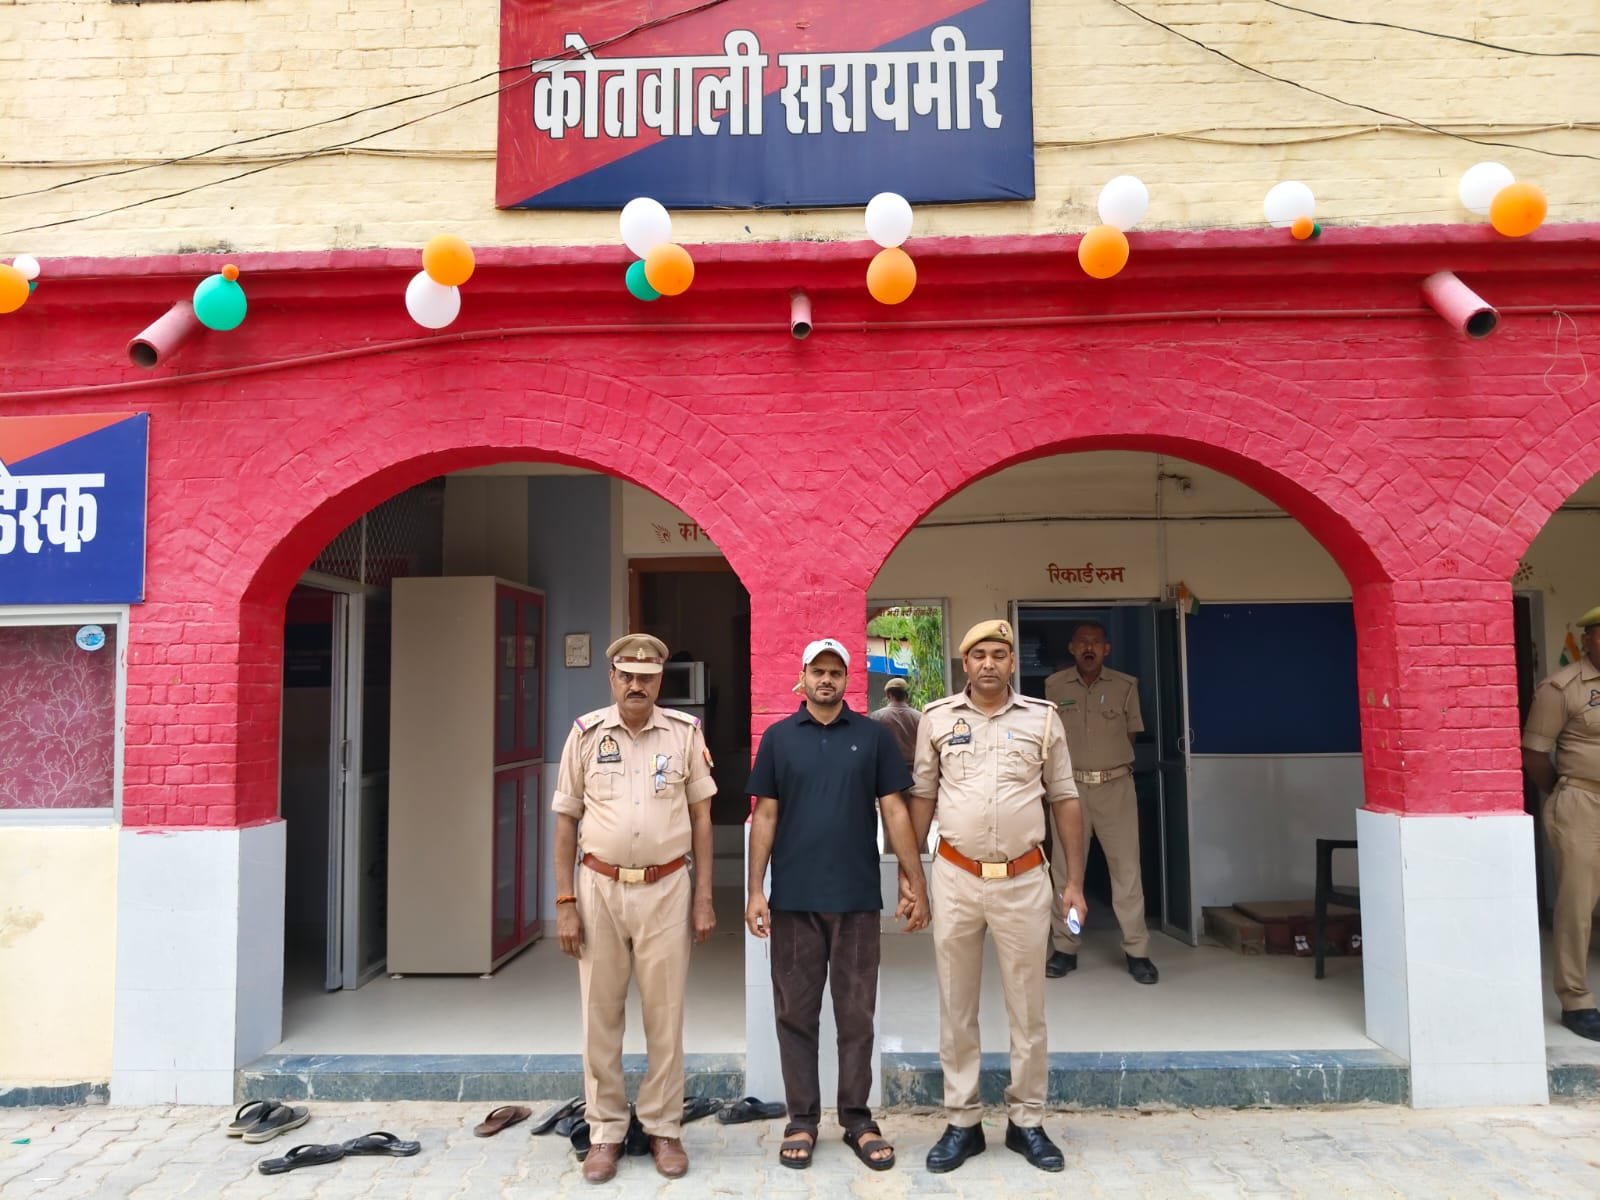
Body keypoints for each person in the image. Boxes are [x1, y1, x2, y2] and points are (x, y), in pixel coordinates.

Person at [906, 619, 1086, 1174]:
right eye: (979, 654)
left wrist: (1075, 883)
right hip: (956, 877)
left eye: (999, 654)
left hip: (1024, 879)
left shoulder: (1043, 719)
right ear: (965, 664)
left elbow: (1065, 799)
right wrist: (911, 878)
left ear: (1013, 663)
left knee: (1028, 1008)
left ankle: (1026, 1121)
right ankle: (962, 1122)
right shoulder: (937, 718)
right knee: (955, 1004)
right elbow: (922, 797)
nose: (989, 663)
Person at [746, 638, 930, 1172]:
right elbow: (765, 816)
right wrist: (756, 889)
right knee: (795, 1016)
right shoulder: (779, 738)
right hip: (794, 902)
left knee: (856, 1016)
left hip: (856, 901)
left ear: (848, 680)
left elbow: (895, 811)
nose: (826, 680)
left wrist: (914, 880)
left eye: (835, 672)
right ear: (803, 677)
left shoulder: (872, 737)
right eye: (818, 671)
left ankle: (856, 1119)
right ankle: (801, 1121)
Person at [550, 634, 718, 1183]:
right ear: (612, 679)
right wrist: (566, 902)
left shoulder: (685, 734)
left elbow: (701, 820)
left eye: (646, 677)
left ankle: (664, 1127)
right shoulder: (585, 735)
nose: (636, 685)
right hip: (598, 888)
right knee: (599, 1015)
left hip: (667, 888)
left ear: (659, 681)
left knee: (665, 1016)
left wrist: (704, 897)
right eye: (627, 675)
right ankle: (605, 1131)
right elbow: (566, 822)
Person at [1042, 621, 1158, 984]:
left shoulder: (1125, 686)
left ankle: (1137, 951)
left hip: (1115, 787)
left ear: (1106, 648)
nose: (1089, 647)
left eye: (1095, 642)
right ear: (1072, 648)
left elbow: (1131, 734)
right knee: (1065, 871)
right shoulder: (1054, 686)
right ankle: (1065, 948)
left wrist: (1106, 764)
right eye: (1082, 642)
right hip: (1069, 790)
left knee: (1126, 870)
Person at [1522, 605, 1600, 1043]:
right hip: (1582, 802)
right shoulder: (1560, 688)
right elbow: (1535, 755)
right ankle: (1576, 1001)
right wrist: (1564, 792)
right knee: (1576, 904)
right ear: (1587, 639)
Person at [869, 676, 921, 774]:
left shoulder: (877, 716)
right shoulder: (919, 717)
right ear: (907, 695)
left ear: (888, 695)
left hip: (886, 772)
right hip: (914, 771)